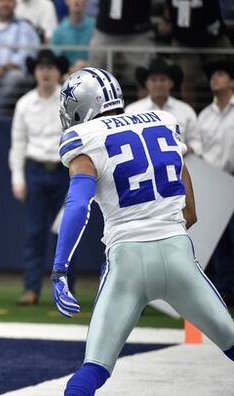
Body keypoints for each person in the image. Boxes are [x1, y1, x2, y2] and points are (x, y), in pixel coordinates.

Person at [52, 67, 234, 395]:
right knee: (231, 341)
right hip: (178, 254)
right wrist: (186, 214)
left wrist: (60, 268)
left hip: (128, 262)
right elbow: (180, 167)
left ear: (83, 105)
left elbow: (78, 205)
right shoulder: (160, 120)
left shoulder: (85, 139)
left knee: (92, 371)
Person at [9, 49, 69, 305]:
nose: (45, 72)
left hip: (64, 172)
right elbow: (18, 143)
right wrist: (17, 178)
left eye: (50, 67)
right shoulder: (24, 103)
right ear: (35, 71)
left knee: (66, 234)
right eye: (41, 67)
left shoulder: (69, 100)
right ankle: (31, 289)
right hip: (34, 171)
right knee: (34, 234)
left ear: (59, 72)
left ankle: (65, 291)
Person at [196, 59, 234, 307]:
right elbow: (199, 146)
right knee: (218, 242)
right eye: (213, 74)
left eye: (220, 74)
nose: (214, 78)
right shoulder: (204, 115)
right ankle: (225, 292)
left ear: (232, 81)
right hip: (213, 183)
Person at [126, 56, 199, 153]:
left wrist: (187, 150)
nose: (158, 84)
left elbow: (197, 142)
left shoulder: (186, 111)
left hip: (181, 164)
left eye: (163, 79)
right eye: (153, 79)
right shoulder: (131, 112)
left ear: (171, 83)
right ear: (146, 84)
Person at [50, 0, 95, 72]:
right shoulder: (59, 31)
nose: (76, 1)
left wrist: (88, 65)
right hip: (68, 76)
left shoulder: (95, 27)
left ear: (87, 1)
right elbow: (55, 60)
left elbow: (102, 57)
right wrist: (70, 69)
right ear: (66, 1)